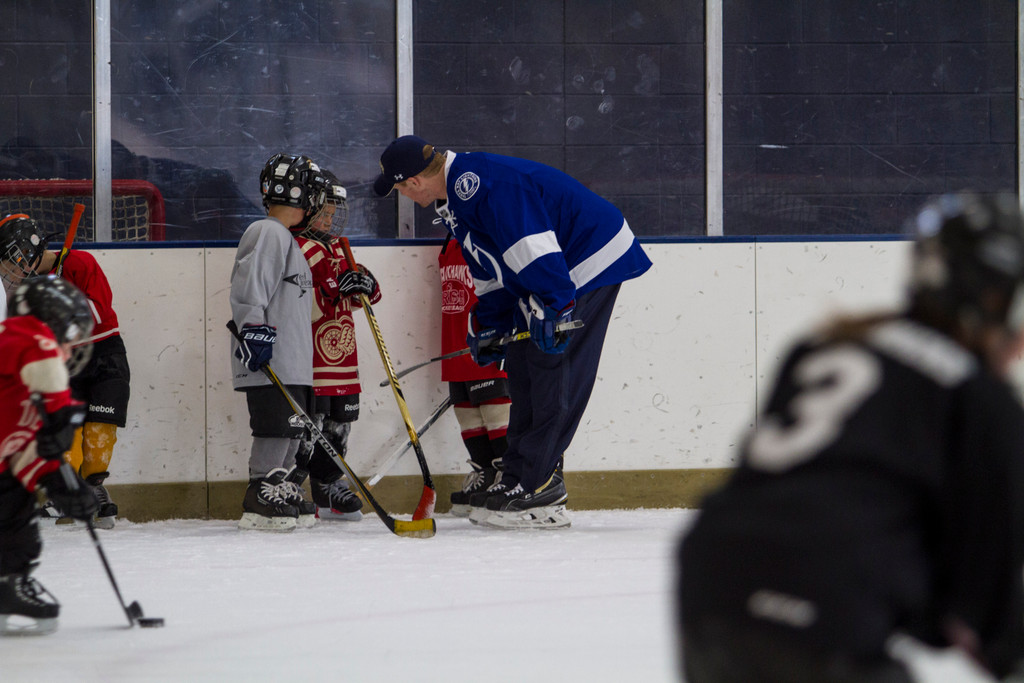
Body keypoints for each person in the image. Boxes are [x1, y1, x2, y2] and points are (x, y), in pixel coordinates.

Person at [677, 192, 1024, 683]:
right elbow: (985, 586)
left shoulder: (825, 343)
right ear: (985, 297)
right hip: (827, 594)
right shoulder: (979, 396)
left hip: (711, 580)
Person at [373, 135, 652, 529]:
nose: (404, 194)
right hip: (556, 268)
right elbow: (489, 269)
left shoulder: (482, 183)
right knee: (520, 366)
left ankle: (540, 485)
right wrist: (492, 325)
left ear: (412, 181)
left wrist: (556, 306)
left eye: (400, 187)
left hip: (588, 258)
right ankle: (518, 475)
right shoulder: (456, 198)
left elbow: (532, 246)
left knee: (552, 361)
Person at [0, 213, 129, 529]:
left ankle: (93, 487)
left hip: (104, 356)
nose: (12, 269)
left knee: (99, 436)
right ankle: (70, 494)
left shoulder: (80, 263)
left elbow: (101, 311)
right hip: (65, 366)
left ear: (28, 249)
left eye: (14, 259)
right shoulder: (23, 290)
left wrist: (62, 301)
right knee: (65, 436)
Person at [0, 275, 100, 635]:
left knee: (15, 511)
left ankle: (8, 584)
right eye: (69, 339)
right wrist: (61, 411)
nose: (70, 350)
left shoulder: (24, 383)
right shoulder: (25, 337)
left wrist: (60, 483)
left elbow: (24, 448)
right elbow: (37, 351)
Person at [229, 153, 322, 531]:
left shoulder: (289, 242)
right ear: (301, 195)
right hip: (270, 357)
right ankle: (259, 493)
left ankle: (279, 484)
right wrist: (252, 328)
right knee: (274, 427)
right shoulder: (267, 232)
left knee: (291, 430)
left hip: (293, 360)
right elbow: (251, 286)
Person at [290, 168, 377, 521]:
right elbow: (309, 299)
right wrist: (336, 287)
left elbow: (362, 296)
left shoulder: (337, 247)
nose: (329, 218)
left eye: (332, 212)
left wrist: (365, 283)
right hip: (311, 358)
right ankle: (294, 483)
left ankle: (328, 484)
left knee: (340, 425)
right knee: (310, 426)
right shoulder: (297, 246)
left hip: (343, 355)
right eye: (323, 210)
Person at [438, 234, 511, 517]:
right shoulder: (451, 238)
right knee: (466, 412)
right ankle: (484, 475)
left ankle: (507, 476)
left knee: (495, 410)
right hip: (456, 336)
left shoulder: (486, 231)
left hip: (485, 335)